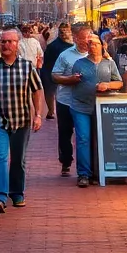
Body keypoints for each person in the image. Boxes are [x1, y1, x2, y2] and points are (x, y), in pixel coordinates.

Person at [0, 28, 44, 212]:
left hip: (21, 120)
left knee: (18, 159)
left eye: (10, 42)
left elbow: (37, 90)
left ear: (17, 45)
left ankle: (17, 192)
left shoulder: (27, 66)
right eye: (3, 42)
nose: (6, 45)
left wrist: (38, 114)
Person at [69, 35, 122, 188]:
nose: (93, 46)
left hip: (103, 107)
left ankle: (101, 171)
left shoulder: (109, 64)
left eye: (96, 44)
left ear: (102, 46)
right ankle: (84, 174)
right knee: (83, 138)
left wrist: (108, 85)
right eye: (90, 43)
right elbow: (73, 81)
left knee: (103, 138)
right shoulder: (79, 63)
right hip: (81, 106)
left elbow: (119, 82)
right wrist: (72, 79)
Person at [51, 23, 88, 177]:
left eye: (89, 37)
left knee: (84, 135)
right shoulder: (65, 55)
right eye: (84, 38)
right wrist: (69, 79)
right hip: (66, 100)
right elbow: (54, 75)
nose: (88, 41)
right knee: (65, 133)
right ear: (76, 39)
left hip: (87, 102)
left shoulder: (98, 53)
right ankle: (66, 161)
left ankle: (86, 167)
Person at [42, 22, 73, 119]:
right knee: (51, 92)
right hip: (51, 71)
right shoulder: (54, 45)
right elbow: (46, 60)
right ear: (59, 33)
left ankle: (54, 111)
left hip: (64, 72)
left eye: (66, 31)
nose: (64, 33)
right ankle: (51, 111)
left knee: (56, 92)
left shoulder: (72, 45)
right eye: (62, 31)